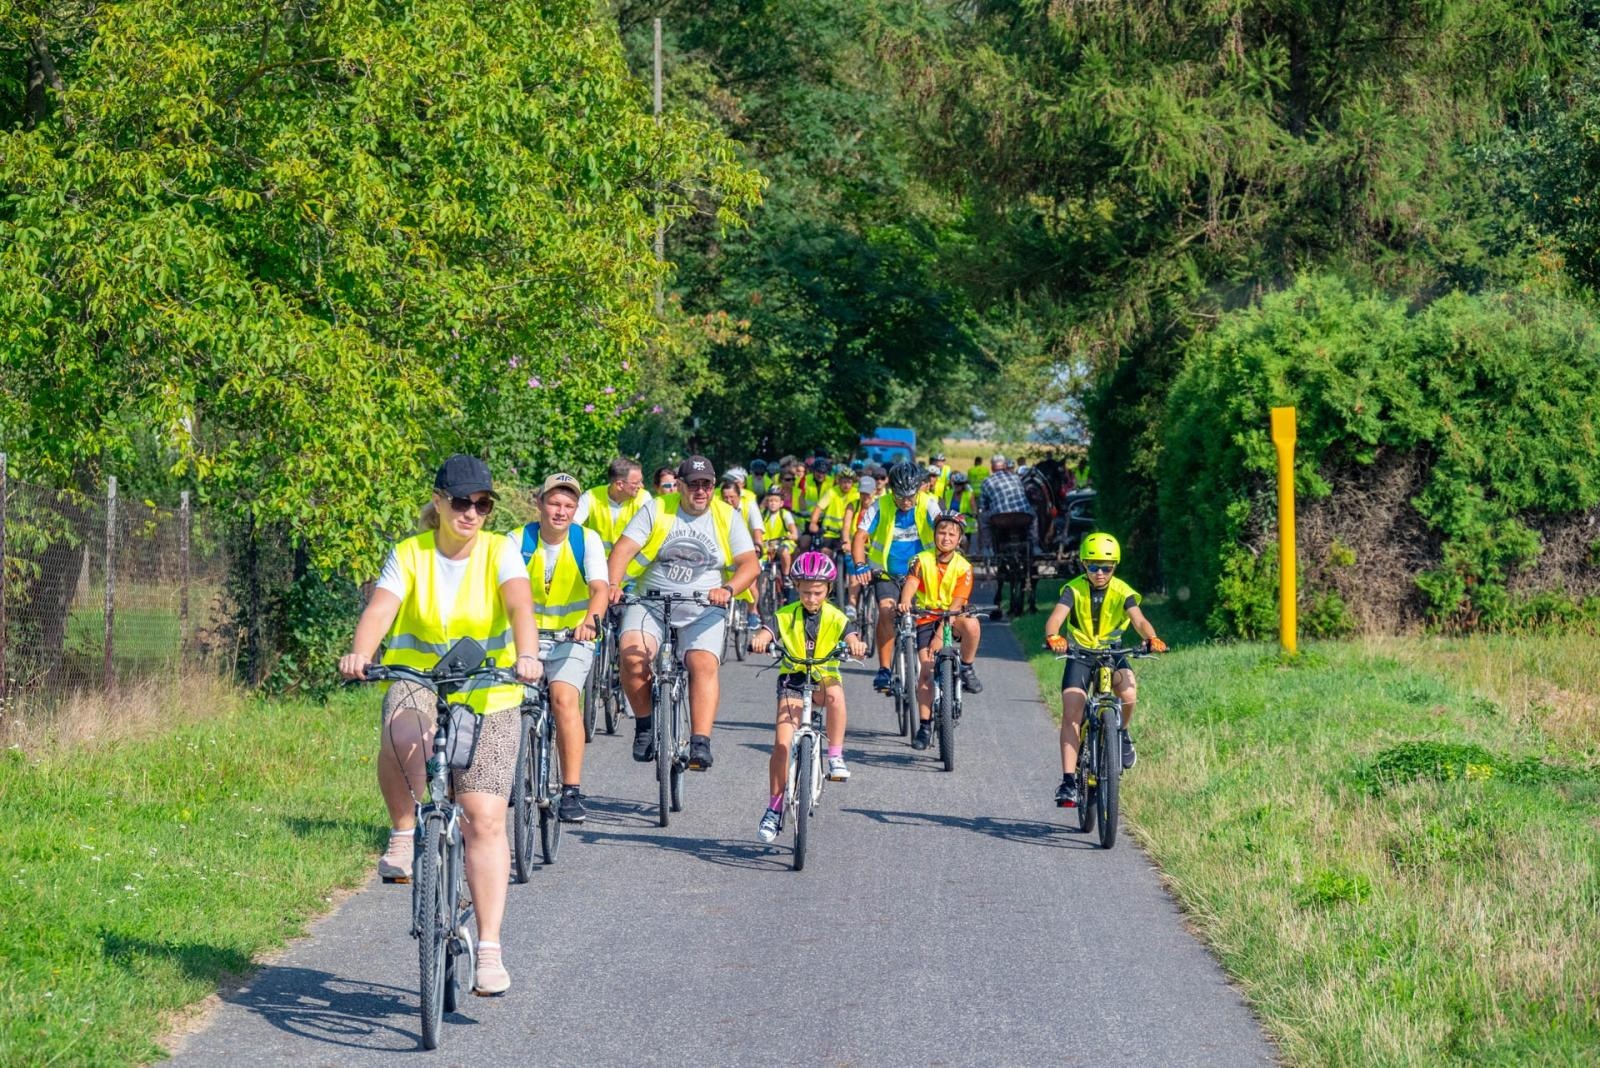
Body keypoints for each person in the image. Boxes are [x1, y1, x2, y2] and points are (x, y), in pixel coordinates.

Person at [338, 454, 540, 996]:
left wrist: (528, 654)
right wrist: (361, 651)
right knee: (403, 732)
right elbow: (382, 608)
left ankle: (491, 949)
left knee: (484, 816)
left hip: (490, 690)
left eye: (482, 504)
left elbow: (520, 605)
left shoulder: (502, 552)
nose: (471, 512)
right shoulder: (410, 554)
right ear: (438, 501)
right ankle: (406, 832)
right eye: (460, 502)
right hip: (418, 679)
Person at [608, 456, 759, 771]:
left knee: (701, 663)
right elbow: (623, 549)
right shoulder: (658, 508)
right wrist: (613, 585)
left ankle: (700, 742)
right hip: (650, 600)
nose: (701, 491)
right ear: (680, 485)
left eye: (707, 484)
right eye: (694, 484)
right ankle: (645, 724)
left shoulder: (727, 515)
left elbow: (749, 564)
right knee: (633, 656)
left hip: (704, 606)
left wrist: (728, 589)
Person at [509, 473, 610, 824]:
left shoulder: (587, 540)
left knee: (565, 699)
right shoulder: (516, 540)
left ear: (576, 510)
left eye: (569, 505)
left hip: (572, 636)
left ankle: (571, 790)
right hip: (524, 638)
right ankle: (510, 771)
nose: (560, 511)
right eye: (554, 503)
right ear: (539, 503)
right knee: (508, 703)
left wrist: (589, 623)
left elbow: (599, 589)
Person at [749, 551, 869, 842]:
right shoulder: (786, 614)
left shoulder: (836, 616)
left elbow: (850, 634)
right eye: (805, 593)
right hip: (793, 679)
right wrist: (762, 640)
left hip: (823, 676)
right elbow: (768, 630)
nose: (811, 599)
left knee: (837, 698)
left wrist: (855, 644)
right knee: (781, 744)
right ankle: (774, 808)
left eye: (817, 593)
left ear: (828, 590)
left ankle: (836, 756)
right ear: (796, 589)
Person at [1042, 533, 1167, 807]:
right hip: (1081, 653)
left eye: (1106, 567)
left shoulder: (1123, 591)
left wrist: (1151, 638)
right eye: (1093, 566)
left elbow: (1139, 620)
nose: (1099, 573)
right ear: (1083, 565)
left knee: (1130, 690)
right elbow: (1056, 618)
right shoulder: (1072, 589)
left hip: (1112, 654)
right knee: (1072, 707)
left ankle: (1120, 733)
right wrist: (1054, 636)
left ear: (1115, 567)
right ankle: (1068, 782)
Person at [849, 460, 943, 691]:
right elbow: (860, 537)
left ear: (919, 488)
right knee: (886, 610)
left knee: (931, 613)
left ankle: (936, 663)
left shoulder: (929, 504)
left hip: (922, 572)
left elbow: (945, 531)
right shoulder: (880, 506)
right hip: (886, 571)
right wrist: (860, 566)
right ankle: (884, 669)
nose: (906, 502)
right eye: (900, 496)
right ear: (892, 491)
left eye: (910, 496)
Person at [897, 513, 982, 749]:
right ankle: (924, 726)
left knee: (973, 624)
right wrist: (905, 600)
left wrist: (940, 634)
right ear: (934, 535)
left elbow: (957, 602)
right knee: (925, 671)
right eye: (942, 532)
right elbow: (912, 583)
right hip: (926, 617)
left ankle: (966, 667)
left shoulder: (964, 567)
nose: (946, 538)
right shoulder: (921, 559)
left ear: (959, 540)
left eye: (951, 534)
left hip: (952, 617)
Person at [576, 457, 652, 553]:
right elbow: (572, 525)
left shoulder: (644, 497)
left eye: (641, 481)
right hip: (595, 561)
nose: (641, 486)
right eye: (636, 483)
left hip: (630, 564)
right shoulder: (590, 496)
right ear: (619, 485)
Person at [722, 473, 766, 631]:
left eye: (732, 497)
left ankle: (753, 612)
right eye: (725, 498)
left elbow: (757, 529)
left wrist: (758, 546)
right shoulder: (719, 509)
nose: (728, 501)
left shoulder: (750, 506)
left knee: (750, 583)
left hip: (748, 550)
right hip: (727, 551)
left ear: (739, 496)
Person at [759, 485, 799, 597]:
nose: (772, 503)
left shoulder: (785, 514)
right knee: (758, 562)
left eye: (776, 501)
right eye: (770, 500)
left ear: (781, 503)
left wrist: (792, 535)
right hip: (767, 545)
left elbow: (793, 531)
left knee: (784, 551)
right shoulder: (763, 515)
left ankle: (786, 576)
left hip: (782, 542)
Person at [808, 467, 859, 551]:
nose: (846, 485)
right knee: (825, 553)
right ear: (839, 481)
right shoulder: (831, 492)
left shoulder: (856, 493)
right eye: (844, 482)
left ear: (853, 483)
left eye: (849, 482)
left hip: (848, 535)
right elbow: (818, 508)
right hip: (829, 533)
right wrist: (813, 523)